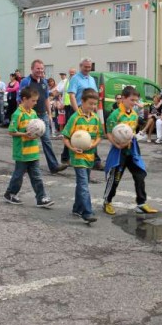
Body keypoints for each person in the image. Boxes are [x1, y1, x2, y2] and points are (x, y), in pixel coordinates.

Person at [103, 86, 158, 215]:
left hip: (132, 149)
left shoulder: (134, 114)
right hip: (119, 151)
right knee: (115, 178)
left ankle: (141, 203)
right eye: (132, 100)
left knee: (140, 174)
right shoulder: (115, 114)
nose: (134, 103)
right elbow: (109, 133)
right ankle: (107, 202)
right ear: (123, 98)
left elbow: (131, 132)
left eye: (136, 100)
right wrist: (116, 144)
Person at [3, 87, 54, 208]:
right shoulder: (18, 114)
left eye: (36, 101)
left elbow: (37, 129)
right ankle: (10, 193)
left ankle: (41, 198)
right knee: (18, 175)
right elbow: (11, 131)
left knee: (37, 176)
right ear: (24, 99)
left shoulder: (33, 113)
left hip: (33, 151)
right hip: (22, 152)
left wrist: (38, 133)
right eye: (33, 101)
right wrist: (24, 134)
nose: (35, 103)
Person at [18, 59, 68, 174]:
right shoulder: (26, 82)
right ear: (32, 69)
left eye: (41, 68)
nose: (40, 70)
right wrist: (23, 114)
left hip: (42, 115)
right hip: (29, 116)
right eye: (37, 68)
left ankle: (53, 166)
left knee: (46, 141)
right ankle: (23, 165)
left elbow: (46, 98)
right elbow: (20, 99)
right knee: (27, 140)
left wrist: (49, 114)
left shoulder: (44, 82)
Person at [62, 88, 102, 223]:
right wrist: (72, 148)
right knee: (84, 184)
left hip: (89, 157)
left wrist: (93, 144)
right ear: (82, 102)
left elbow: (98, 137)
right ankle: (87, 212)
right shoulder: (75, 118)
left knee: (82, 184)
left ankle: (77, 208)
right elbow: (66, 137)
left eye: (95, 104)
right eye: (90, 103)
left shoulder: (95, 118)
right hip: (78, 157)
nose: (93, 106)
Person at [66, 59, 102, 170]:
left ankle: (94, 160)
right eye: (85, 67)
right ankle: (70, 157)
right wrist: (78, 112)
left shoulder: (91, 79)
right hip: (78, 110)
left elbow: (95, 95)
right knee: (73, 135)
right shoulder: (75, 79)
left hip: (89, 111)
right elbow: (72, 95)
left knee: (90, 135)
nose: (87, 69)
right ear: (80, 66)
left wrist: (94, 109)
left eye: (89, 67)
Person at [60, 68, 77, 164]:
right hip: (70, 107)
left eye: (73, 73)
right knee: (70, 132)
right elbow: (63, 92)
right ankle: (65, 157)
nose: (72, 74)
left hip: (74, 107)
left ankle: (66, 157)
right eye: (70, 73)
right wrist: (61, 103)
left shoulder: (76, 80)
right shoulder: (67, 82)